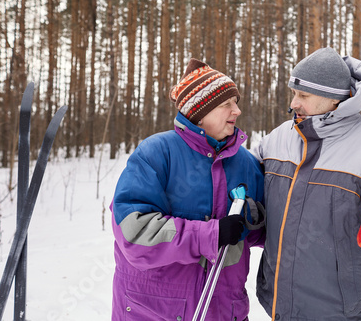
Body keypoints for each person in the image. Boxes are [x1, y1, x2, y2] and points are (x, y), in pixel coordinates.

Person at [253, 47, 361, 320]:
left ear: (333, 99)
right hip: (280, 305)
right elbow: (246, 193)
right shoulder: (276, 140)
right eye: (294, 93)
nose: (293, 103)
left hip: (346, 312)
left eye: (303, 95)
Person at [111, 58, 264, 320]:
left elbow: (263, 235)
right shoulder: (157, 154)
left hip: (224, 309)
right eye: (227, 104)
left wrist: (255, 220)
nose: (237, 110)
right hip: (156, 310)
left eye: (236, 102)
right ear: (200, 112)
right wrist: (211, 235)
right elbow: (133, 234)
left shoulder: (246, 163)